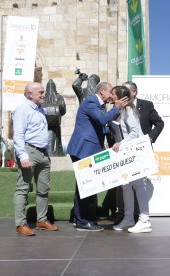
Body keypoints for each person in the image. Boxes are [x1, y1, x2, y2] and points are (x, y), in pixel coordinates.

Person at [67, 81, 128, 231]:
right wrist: (117, 108)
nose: (112, 95)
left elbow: (100, 126)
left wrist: (113, 133)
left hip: (89, 150)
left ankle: (82, 218)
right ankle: (82, 220)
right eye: (110, 92)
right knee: (84, 185)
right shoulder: (91, 101)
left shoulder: (99, 105)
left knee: (86, 185)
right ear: (102, 92)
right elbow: (101, 120)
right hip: (82, 149)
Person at [13, 82, 59, 236]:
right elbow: (18, 134)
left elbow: (40, 133)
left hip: (43, 154)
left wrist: (46, 153)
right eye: (40, 92)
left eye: (43, 91)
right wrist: (23, 155)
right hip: (29, 151)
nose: (43, 94)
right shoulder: (22, 110)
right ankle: (20, 224)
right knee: (23, 189)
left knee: (44, 189)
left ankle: (42, 219)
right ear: (29, 94)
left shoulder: (39, 110)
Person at [110, 86, 152, 233]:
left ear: (121, 96)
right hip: (128, 153)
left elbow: (134, 133)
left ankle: (144, 220)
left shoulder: (128, 110)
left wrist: (121, 143)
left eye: (113, 94)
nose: (111, 96)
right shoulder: (123, 110)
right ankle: (128, 218)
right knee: (126, 185)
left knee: (139, 185)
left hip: (136, 152)